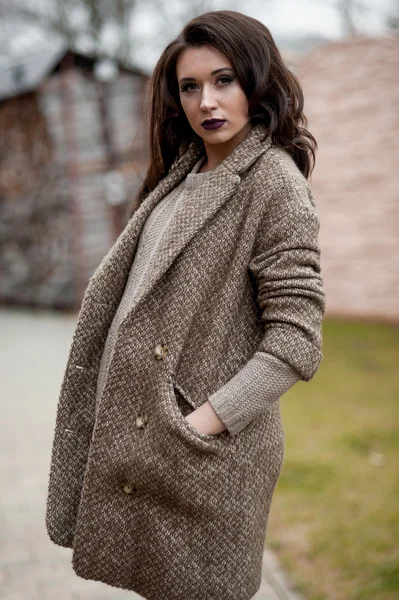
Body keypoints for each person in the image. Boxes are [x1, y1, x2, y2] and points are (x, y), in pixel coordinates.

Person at [46, 10, 326, 600]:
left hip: (200, 453)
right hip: (145, 447)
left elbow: (296, 340)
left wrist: (198, 423)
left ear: (257, 81)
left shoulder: (275, 184)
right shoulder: (181, 175)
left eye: (224, 80)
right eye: (190, 86)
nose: (207, 101)